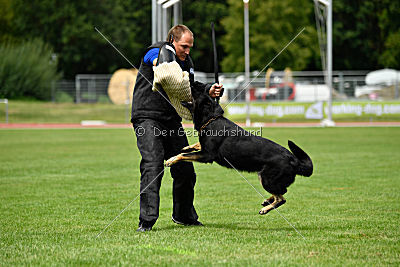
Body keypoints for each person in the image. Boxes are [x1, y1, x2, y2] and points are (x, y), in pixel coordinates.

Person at [131, 24, 223, 232]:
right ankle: (146, 221)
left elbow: (190, 86)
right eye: (184, 46)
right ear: (173, 40)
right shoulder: (157, 50)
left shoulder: (186, 61)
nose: (188, 51)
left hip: (171, 121)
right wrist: (163, 61)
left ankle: (183, 216)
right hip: (147, 117)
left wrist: (209, 89)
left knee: (185, 170)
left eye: (190, 47)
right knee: (152, 165)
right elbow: (157, 62)